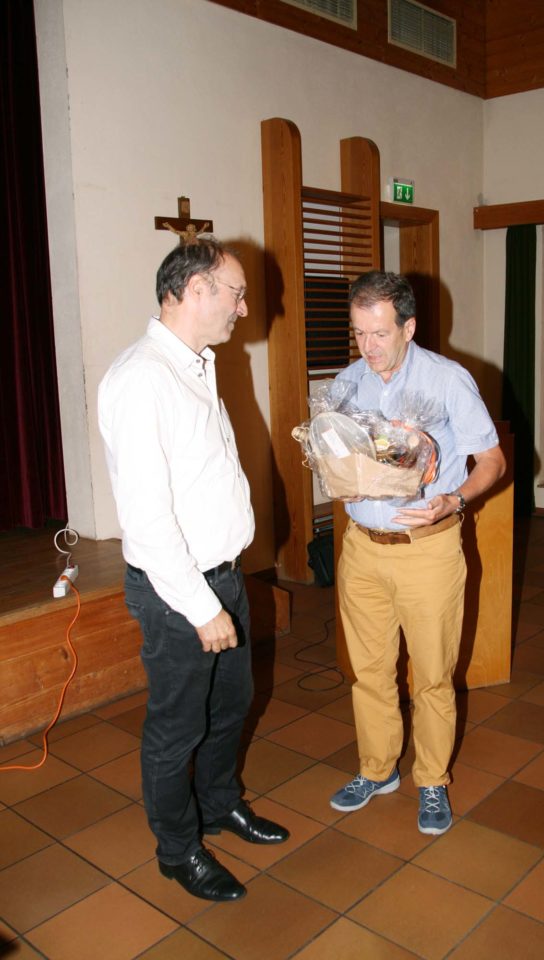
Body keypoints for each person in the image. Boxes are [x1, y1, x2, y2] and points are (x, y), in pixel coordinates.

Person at [98, 237, 289, 903]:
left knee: (230, 705)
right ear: (197, 290)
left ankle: (217, 804)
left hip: (222, 577)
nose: (244, 307)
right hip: (179, 590)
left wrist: (223, 589)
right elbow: (148, 521)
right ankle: (178, 850)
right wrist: (202, 607)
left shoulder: (196, 364)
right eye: (236, 293)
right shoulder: (142, 379)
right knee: (178, 726)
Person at [329, 271, 506, 836]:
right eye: (359, 333)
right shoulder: (346, 383)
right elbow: (337, 455)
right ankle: (377, 768)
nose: (368, 346)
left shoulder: (447, 380)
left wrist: (454, 499)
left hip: (428, 551)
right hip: (362, 549)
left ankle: (431, 779)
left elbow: (493, 462)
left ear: (408, 327)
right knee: (369, 673)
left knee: (431, 677)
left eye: (380, 333)